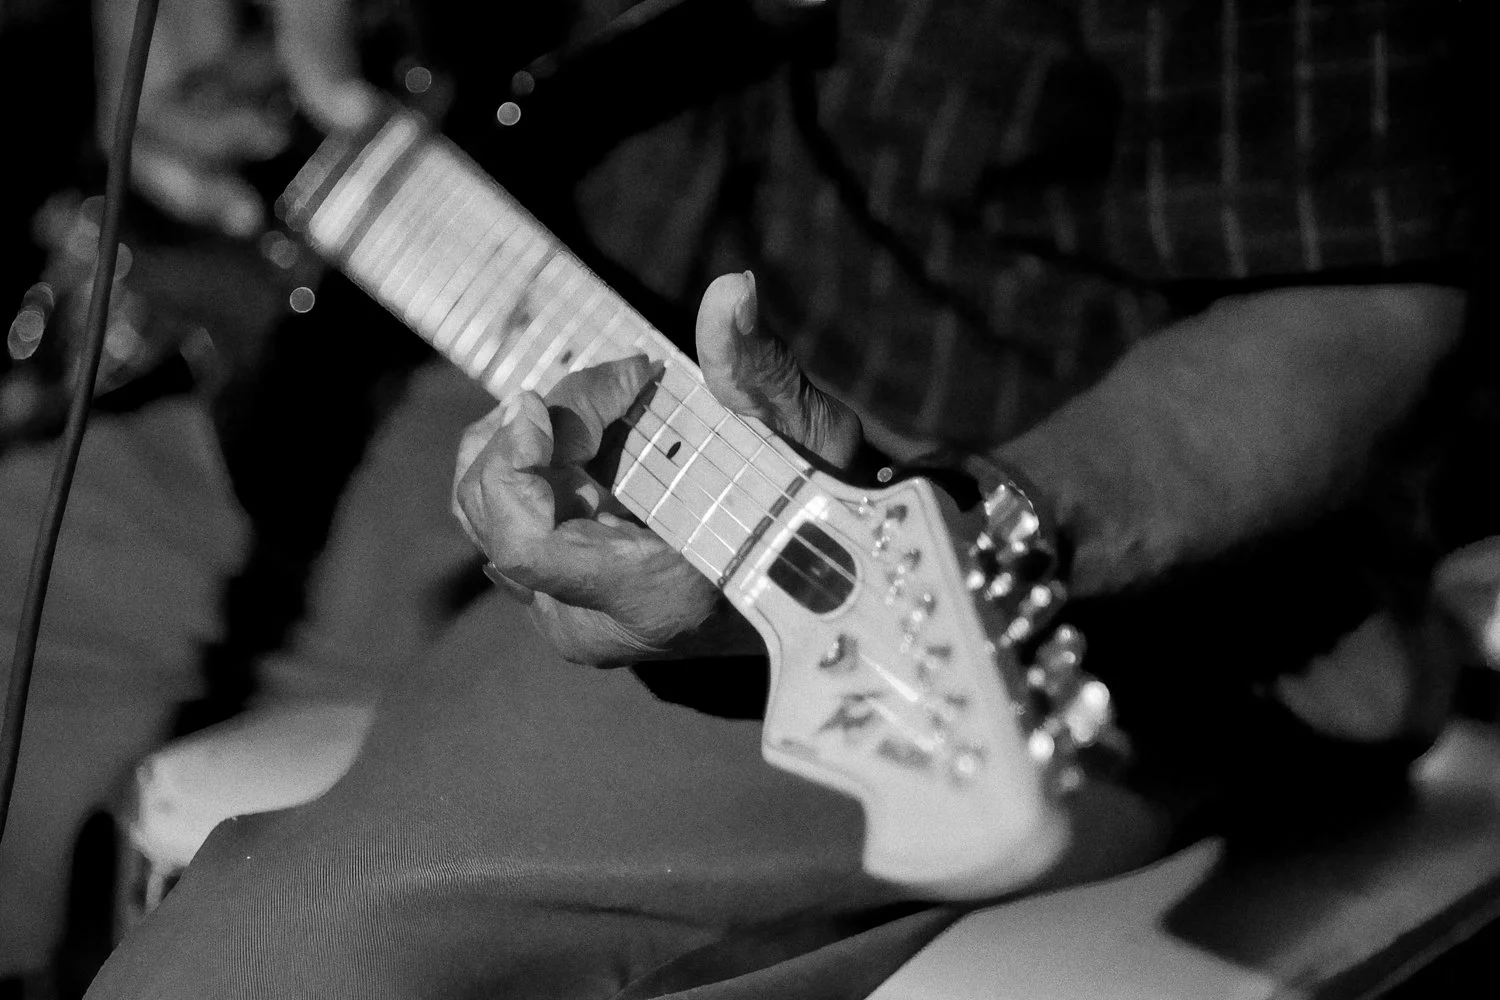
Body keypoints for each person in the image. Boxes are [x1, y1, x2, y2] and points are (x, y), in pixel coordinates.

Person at [64, 0, 1496, 997]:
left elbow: (1369, 300)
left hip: (1050, 517)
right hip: (498, 328)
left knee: (288, 956)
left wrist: (988, 518)